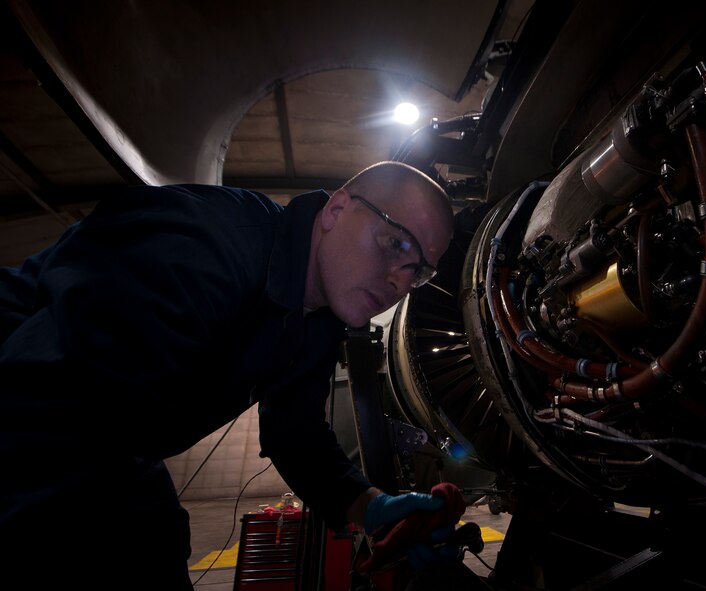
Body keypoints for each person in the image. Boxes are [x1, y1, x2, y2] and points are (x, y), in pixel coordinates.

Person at [0, 161, 456, 589]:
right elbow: (50, 411)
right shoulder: (204, 246)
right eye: (397, 244)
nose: (399, 281)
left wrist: (372, 507)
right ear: (337, 209)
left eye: (417, 271)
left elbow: (295, 437)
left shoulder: (315, 318)